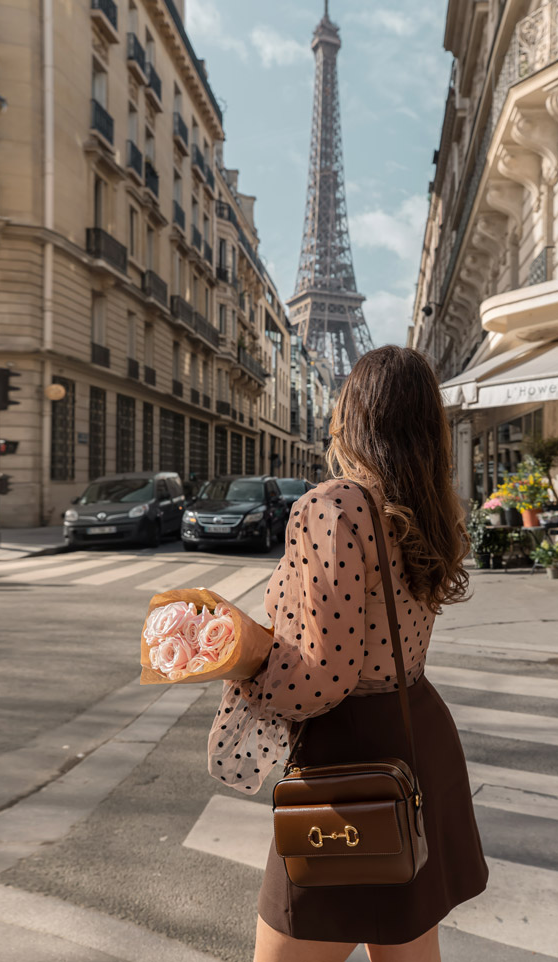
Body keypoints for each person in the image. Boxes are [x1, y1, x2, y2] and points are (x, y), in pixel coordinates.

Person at [208, 346, 488, 962]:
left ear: (351, 416)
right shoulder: (428, 508)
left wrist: (240, 666)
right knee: (408, 947)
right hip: (418, 738)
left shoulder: (333, 506)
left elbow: (322, 677)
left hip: (348, 760)